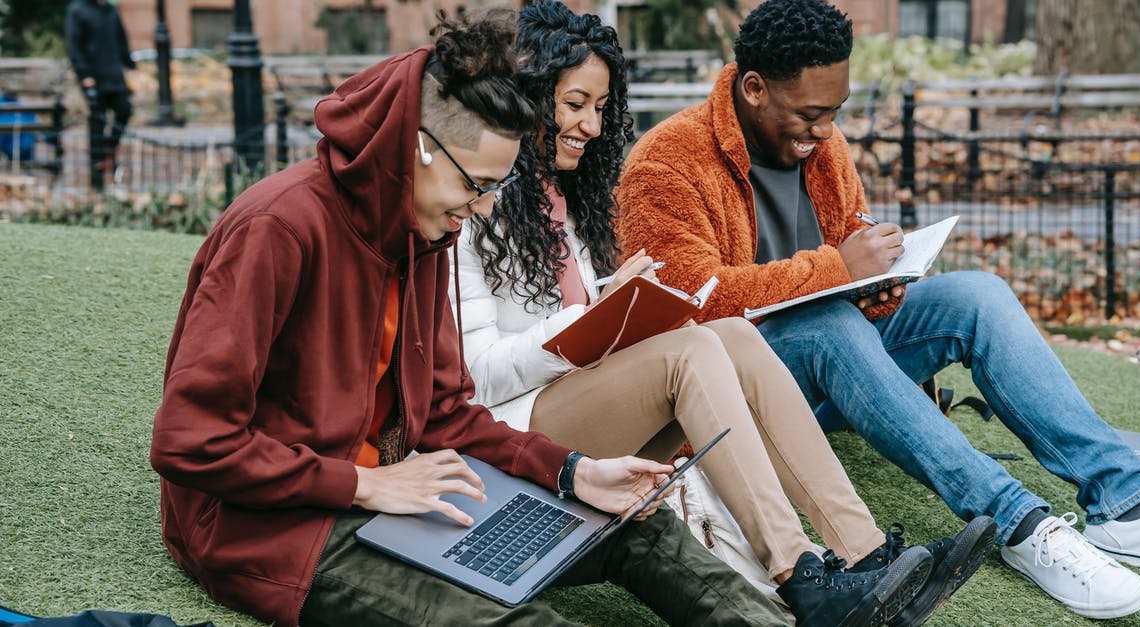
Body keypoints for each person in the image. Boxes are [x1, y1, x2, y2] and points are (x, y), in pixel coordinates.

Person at [149, 10, 793, 627]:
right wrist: (362, 486)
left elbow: (450, 413)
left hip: (416, 488)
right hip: (277, 526)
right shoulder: (277, 228)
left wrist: (575, 472)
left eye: (495, 187)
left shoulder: (423, 231)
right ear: (421, 149)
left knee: (637, 524)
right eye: (476, 185)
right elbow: (190, 439)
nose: (483, 210)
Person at [615, 0, 1140, 620]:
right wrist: (840, 270)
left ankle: (1126, 505)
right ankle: (1021, 525)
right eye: (809, 115)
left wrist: (880, 281)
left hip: (838, 353)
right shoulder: (666, 160)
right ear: (754, 88)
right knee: (824, 326)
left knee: (978, 294)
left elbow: (849, 236)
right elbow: (683, 305)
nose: (822, 133)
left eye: (834, 113)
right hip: (740, 390)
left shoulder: (823, 144)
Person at [453, 3, 997, 625]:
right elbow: (475, 379)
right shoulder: (467, 206)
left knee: (731, 333)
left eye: (601, 109)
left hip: (576, 398)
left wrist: (619, 306)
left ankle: (864, 556)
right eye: (574, 104)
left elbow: (581, 323)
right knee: (694, 350)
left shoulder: (568, 200)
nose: (592, 126)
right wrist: (593, 319)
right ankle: (800, 575)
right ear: (526, 96)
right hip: (515, 435)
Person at [65, 0, 134, 190]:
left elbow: (121, 40)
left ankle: (108, 152)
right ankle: (96, 181)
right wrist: (84, 75)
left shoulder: (110, 10)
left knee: (125, 111)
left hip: (114, 76)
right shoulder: (78, 10)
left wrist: (131, 66)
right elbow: (74, 45)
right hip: (93, 77)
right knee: (97, 125)